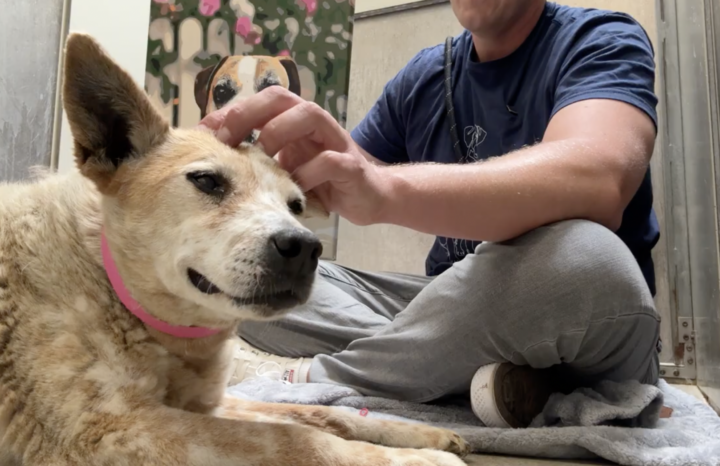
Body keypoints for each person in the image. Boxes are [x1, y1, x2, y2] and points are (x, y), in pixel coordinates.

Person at [199, 0, 662, 429]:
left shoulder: (600, 39)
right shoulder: (425, 76)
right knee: (266, 273)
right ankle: (470, 376)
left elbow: (599, 179)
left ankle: (306, 378)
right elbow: (343, 181)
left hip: (576, 321)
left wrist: (384, 188)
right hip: (449, 308)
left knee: (587, 259)